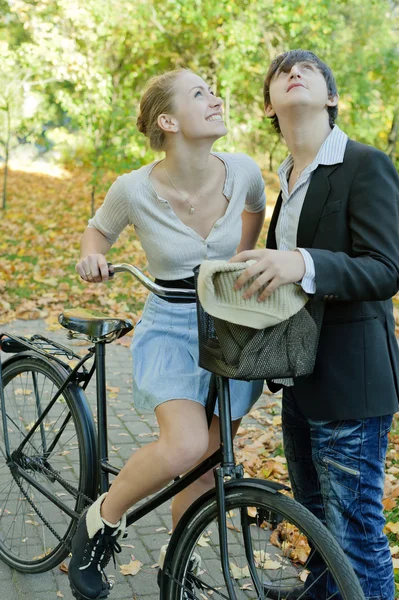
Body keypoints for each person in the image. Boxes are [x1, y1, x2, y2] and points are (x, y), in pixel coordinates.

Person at [68, 68, 266, 600]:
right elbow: (99, 231)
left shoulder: (244, 171)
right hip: (171, 326)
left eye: (213, 90)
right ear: (168, 120)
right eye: (200, 93)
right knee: (183, 445)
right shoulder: (132, 188)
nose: (216, 98)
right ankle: (100, 522)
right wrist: (93, 255)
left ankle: (176, 564)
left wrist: (244, 263)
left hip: (231, 328)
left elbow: (255, 214)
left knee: (204, 470)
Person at [231, 49, 399, 600]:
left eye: (307, 70)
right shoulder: (288, 177)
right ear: (270, 106)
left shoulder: (365, 163)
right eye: (280, 73)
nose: (292, 72)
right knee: (316, 521)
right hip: (302, 376)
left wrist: (300, 262)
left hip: (352, 382)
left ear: (330, 97)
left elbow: (385, 268)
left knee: (356, 536)